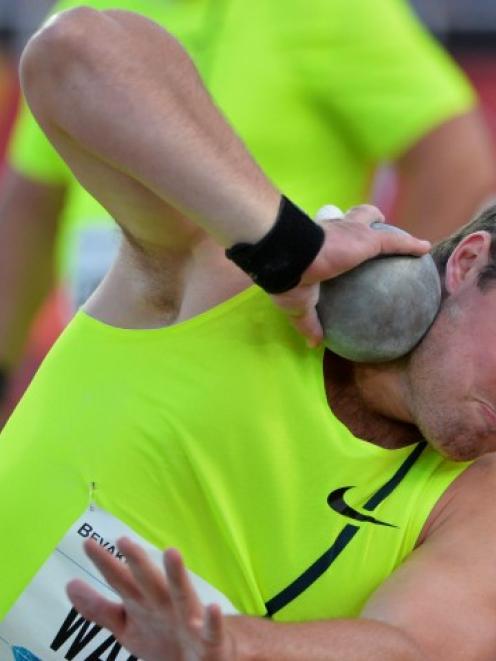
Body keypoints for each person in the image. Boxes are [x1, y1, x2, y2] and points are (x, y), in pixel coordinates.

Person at [1, 8, 496, 660]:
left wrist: (221, 644)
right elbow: (71, 51)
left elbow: (416, 644)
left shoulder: (476, 503)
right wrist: (283, 244)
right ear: (469, 264)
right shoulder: (220, 283)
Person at [0, 0, 494, 416]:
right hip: (110, 369)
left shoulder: (331, 9)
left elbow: (456, 165)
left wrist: (385, 338)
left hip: (257, 384)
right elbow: (32, 209)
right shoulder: (86, 6)